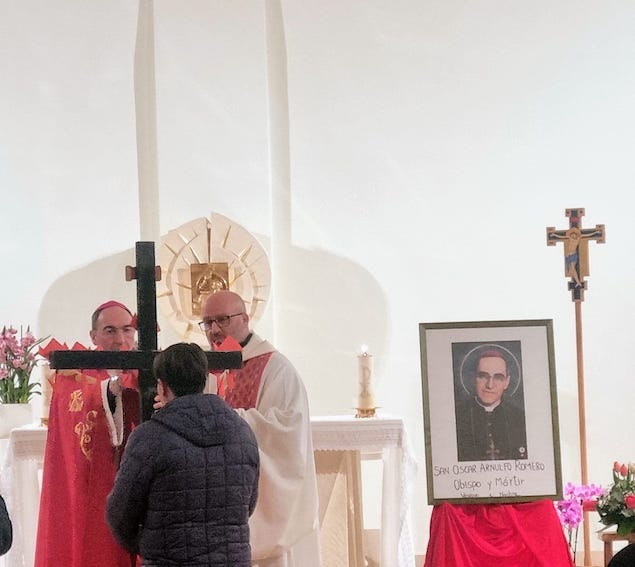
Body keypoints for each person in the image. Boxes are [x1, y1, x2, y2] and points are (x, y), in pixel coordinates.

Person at [107, 342, 259, 566]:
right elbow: (248, 504)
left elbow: (120, 516)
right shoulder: (243, 433)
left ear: (162, 387)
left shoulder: (149, 438)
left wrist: (150, 547)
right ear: (204, 380)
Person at [201, 290, 321, 567]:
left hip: (260, 503)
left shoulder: (276, 368)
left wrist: (227, 418)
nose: (215, 330)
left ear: (245, 318)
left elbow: (286, 432)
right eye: (208, 323)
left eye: (222, 320)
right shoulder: (208, 368)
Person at [35, 300, 140, 567]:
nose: (120, 339)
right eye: (110, 330)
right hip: (93, 488)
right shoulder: (77, 374)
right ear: (93, 336)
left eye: (127, 330)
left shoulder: (146, 372)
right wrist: (112, 392)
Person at [455, 347, 528, 461]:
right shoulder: (457, 416)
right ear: (474, 378)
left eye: (498, 378)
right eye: (483, 376)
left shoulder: (520, 418)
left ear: (506, 382)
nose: (490, 385)